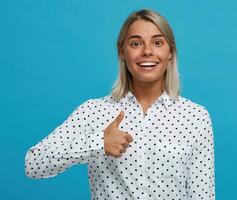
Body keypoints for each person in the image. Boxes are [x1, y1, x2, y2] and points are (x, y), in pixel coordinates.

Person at [25, 9, 215, 199]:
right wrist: (98, 143)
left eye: (157, 43)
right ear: (122, 51)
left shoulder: (195, 117)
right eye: (135, 43)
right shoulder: (93, 112)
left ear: (170, 52)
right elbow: (34, 164)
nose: (147, 51)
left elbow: (202, 195)